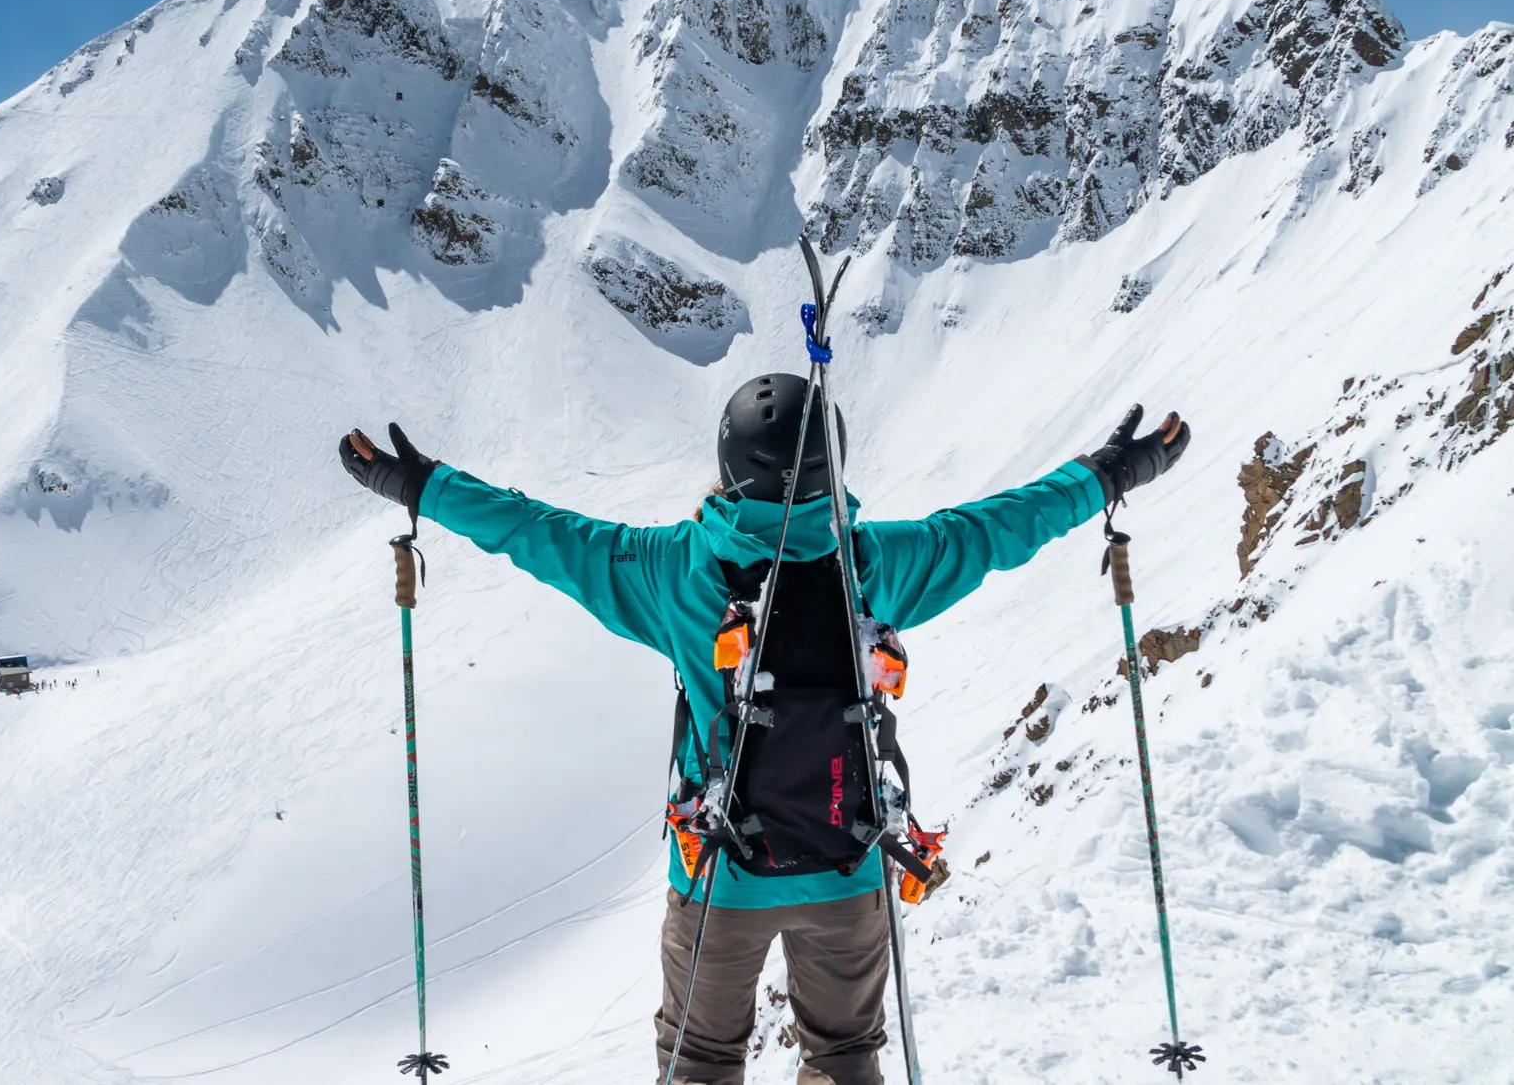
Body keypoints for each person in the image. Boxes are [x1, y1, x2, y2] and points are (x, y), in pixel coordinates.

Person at [340, 381, 1188, 1085]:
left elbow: (544, 535)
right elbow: (1000, 528)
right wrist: (1109, 474)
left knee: (701, 1061)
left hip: (718, 879)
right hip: (849, 865)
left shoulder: (673, 569)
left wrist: (423, 487)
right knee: (845, 1053)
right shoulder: (878, 565)